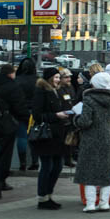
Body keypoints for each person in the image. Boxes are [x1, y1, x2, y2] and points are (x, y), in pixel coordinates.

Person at [74, 72, 110, 212]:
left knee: (89, 171)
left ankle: (90, 204)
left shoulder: (89, 98)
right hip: (105, 135)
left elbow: (85, 121)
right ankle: (104, 203)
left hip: (90, 137)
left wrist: (76, 118)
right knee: (105, 170)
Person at [31, 67, 72, 210]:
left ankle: (48, 194)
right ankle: (42, 197)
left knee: (57, 166)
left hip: (57, 134)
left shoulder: (57, 91)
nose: (58, 80)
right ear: (48, 78)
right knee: (47, 166)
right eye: (55, 77)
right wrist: (56, 116)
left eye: (58, 77)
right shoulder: (41, 91)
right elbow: (37, 115)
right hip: (46, 135)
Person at [0, 63, 28, 190]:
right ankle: (1, 180)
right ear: (10, 73)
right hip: (8, 122)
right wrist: (26, 118)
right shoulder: (13, 86)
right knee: (6, 152)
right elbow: (19, 106)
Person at [15, 58, 39, 170]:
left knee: (22, 137)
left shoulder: (17, 80)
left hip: (21, 111)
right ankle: (35, 162)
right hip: (34, 111)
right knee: (34, 137)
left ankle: (23, 163)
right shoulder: (37, 80)